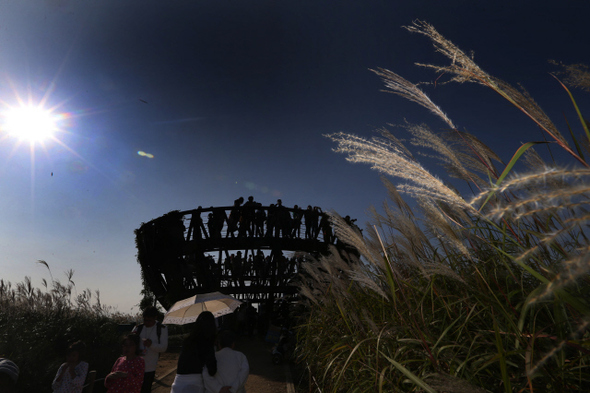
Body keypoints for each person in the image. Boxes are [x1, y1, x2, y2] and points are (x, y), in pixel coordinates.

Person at [171, 311, 218, 393]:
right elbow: (212, 371)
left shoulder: (187, 340)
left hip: (178, 383)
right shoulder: (207, 343)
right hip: (194, 384)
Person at [132, 306, 168, 393]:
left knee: (145, 389)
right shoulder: (138, 328)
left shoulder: (161, 329)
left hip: (149, 367)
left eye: (149, 320)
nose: (146, 322)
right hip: (135, 366)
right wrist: (136, 351)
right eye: (145, 320)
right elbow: (129, 343)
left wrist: (151, 345)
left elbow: (163, 348)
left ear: (155, 318)